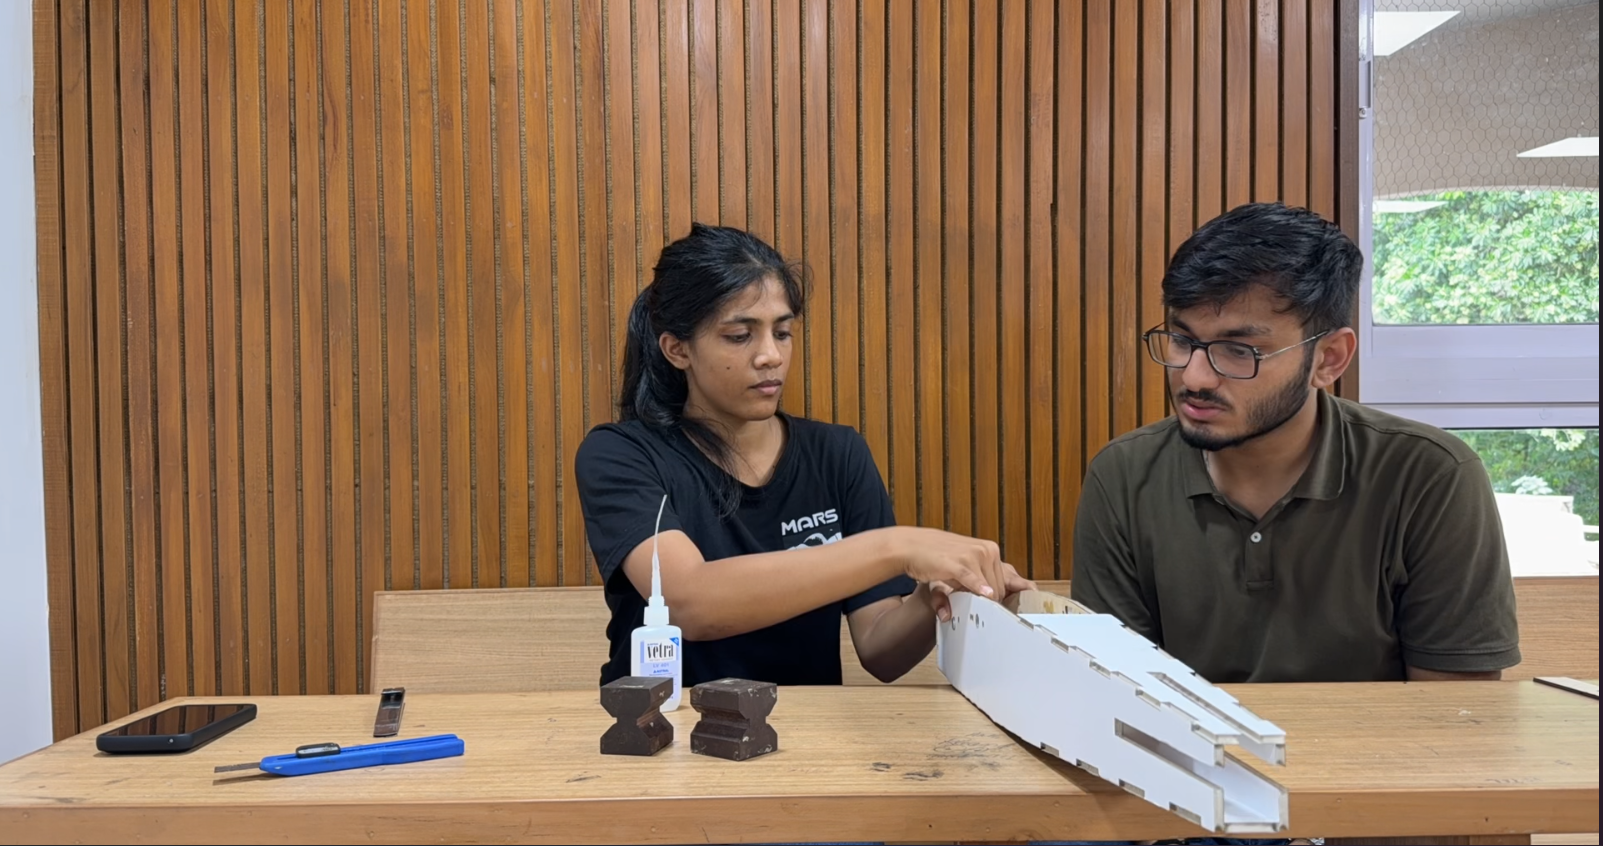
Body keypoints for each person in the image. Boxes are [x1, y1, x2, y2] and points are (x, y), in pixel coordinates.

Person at [1071, 202, 1520, 684]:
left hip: (1373, 738)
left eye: (1238, 350)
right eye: (1183, 341)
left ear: (1329, 359)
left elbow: (1456, 710)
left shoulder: (1429, 477)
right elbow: (1116, 693)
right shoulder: (1125, 475)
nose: (1194, 377)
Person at [575, 223, 1032, 689]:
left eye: (783, 332)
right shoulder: (621, 455)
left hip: (806, 728)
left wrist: (933, 598)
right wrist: (896, 547)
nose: (770, 356)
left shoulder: (837, 454)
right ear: (677, 350)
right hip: (664, 725)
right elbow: (689, 603)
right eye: (740, 336)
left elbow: (880, 650)